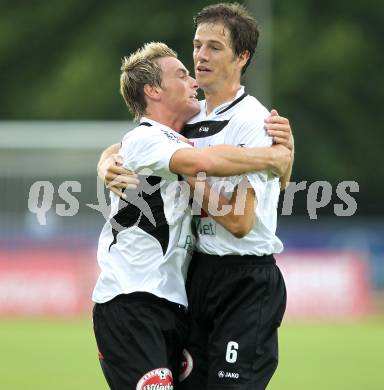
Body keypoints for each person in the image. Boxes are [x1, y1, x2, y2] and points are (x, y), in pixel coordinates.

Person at [92, 41, 291, 390]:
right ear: (153, 90)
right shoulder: (148, 139)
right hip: (131, 300)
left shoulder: (178, 134)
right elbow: (200, 162)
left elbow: (125, 150)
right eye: (182, 75)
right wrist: (271, 157)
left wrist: (287, 149)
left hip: (174, 302)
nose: (193, 82)